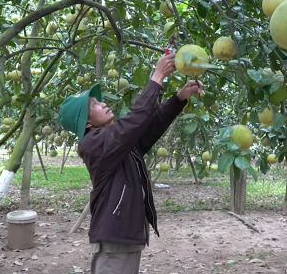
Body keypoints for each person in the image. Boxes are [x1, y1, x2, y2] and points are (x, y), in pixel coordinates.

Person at [58, 53, 204, 274]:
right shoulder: (93, 145)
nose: (103, 103)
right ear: (86, 122)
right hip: (115, 237)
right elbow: (135, 121)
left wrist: (179, 98)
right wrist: (157, 77)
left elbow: (148, 127)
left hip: (126, 235)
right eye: (94, 104)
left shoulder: (115, 143)